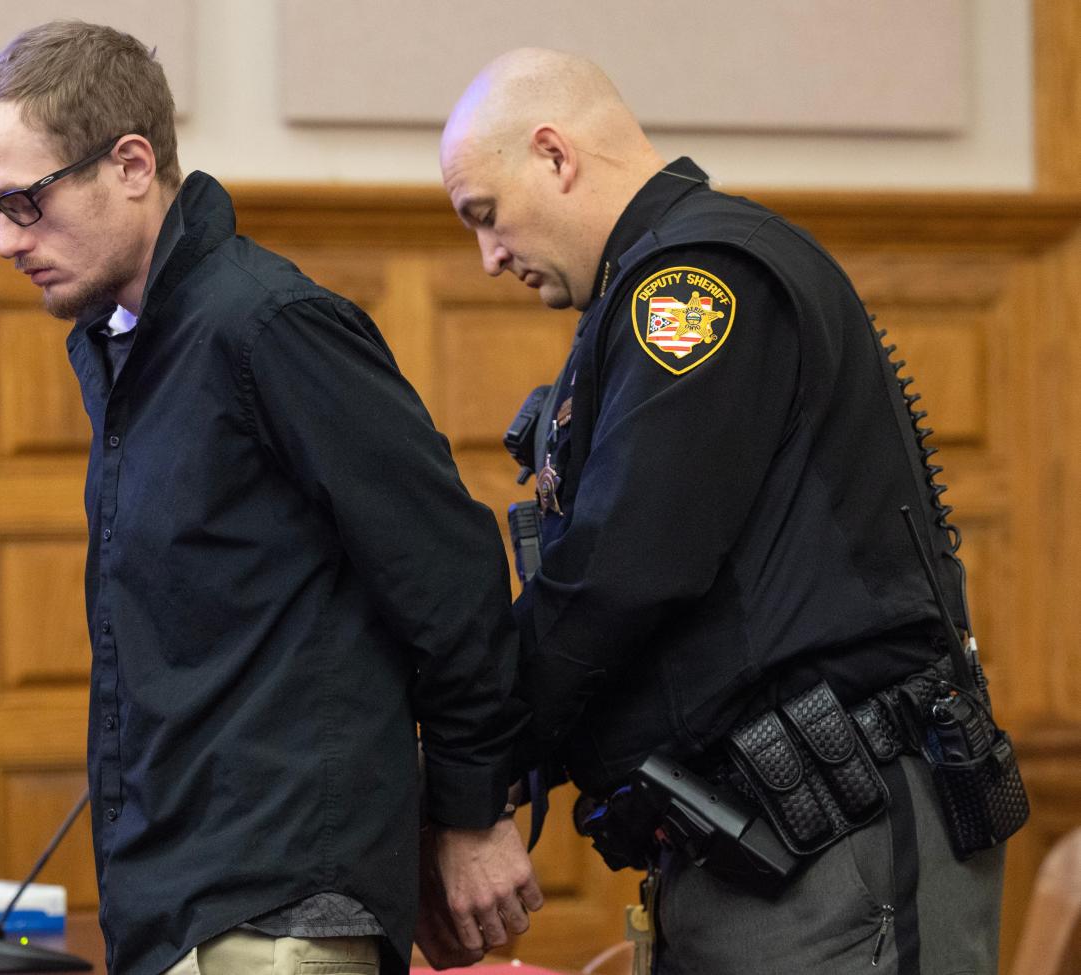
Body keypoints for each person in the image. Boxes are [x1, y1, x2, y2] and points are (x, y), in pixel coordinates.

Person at [0, 22, 542, 975]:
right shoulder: (130, 351)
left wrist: (471, 811)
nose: (5, 241)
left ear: (133, 164)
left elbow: (451, 572)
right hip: (182, 903)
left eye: (26, 201)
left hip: (280, 909)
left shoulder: (268, 325)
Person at [437, 48, 1012, 975]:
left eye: (486, 215)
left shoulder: (693, 286)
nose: (489, 256)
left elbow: (624, 567)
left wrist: (475, 763)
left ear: (554, 154)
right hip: (766, 839)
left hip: (836, 847)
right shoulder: (654, 283)